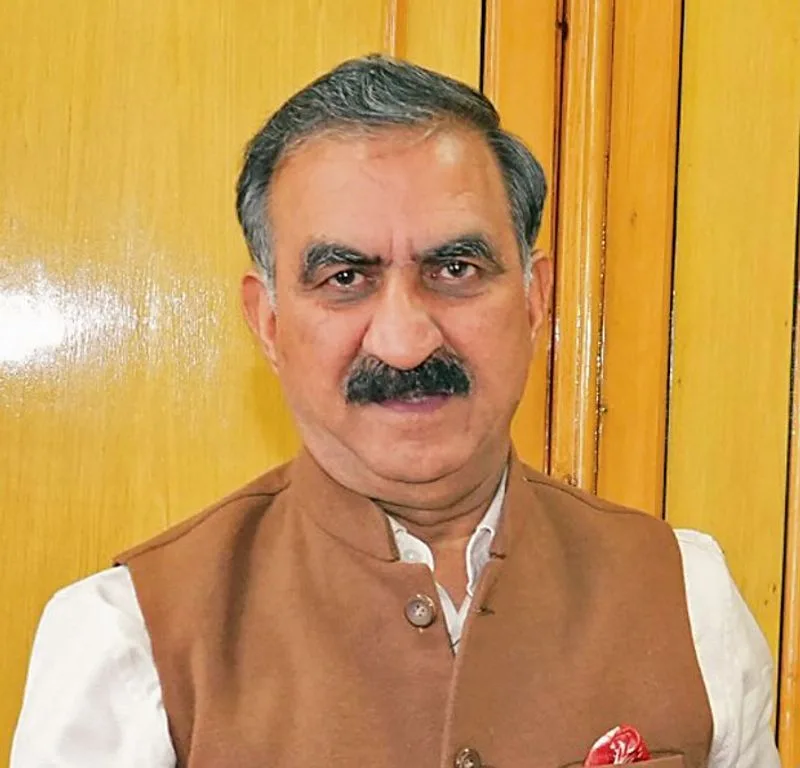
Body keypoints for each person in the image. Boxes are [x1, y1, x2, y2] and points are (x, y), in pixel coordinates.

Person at [11, 55, 779, 768]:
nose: (407, 343)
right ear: (269, 324)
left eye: (456, 268)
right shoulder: (129, 639)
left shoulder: (689, 596)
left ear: (535, 299)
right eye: (345, 278)